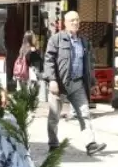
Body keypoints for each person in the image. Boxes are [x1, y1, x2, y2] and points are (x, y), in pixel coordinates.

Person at [45, 11, 105, 157]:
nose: (75, 23)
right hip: (60, 84)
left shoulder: (84, 41)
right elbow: (48, 60)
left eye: (77, 20)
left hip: (77, 84)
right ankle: (53, 143)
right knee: (54, 117)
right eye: (72, 20)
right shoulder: (56, 39)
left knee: (84, 113)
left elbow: (89, 63)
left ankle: (90, 144)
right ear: (65, 23)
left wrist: (93, 82)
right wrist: (52, 80)